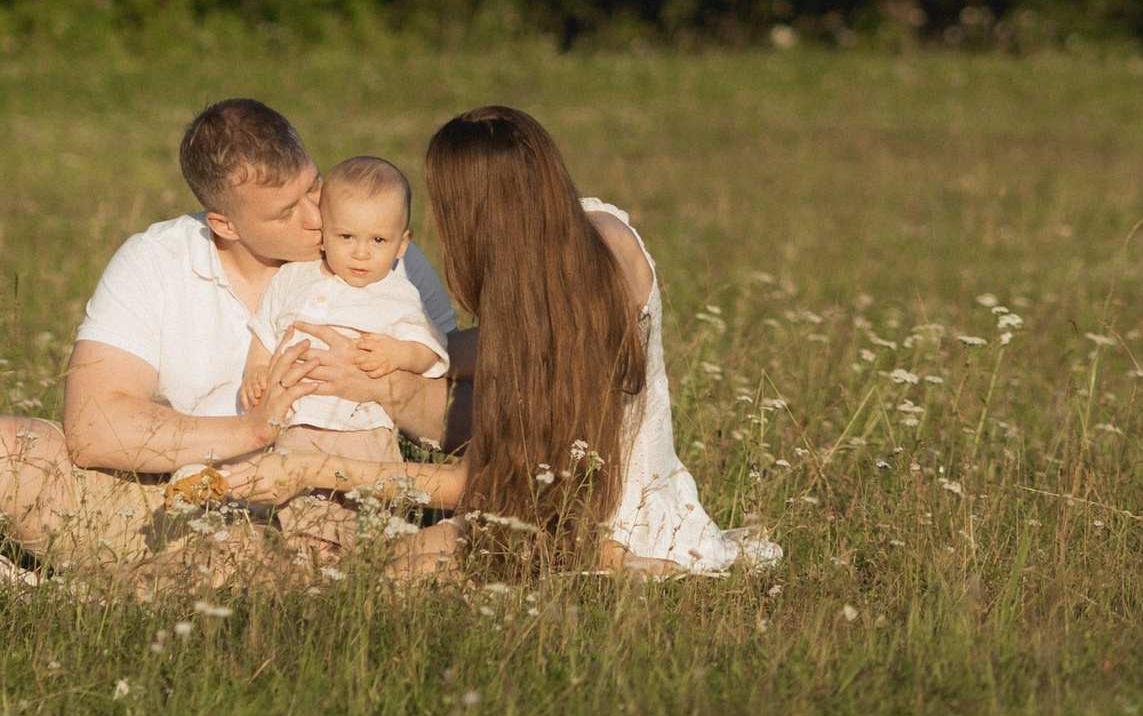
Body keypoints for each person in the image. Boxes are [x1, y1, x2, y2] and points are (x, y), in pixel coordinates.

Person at [0, 95, 455, 577]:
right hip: (164, 500)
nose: (320, 218)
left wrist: (382, 384)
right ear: (224, 224)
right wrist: (249, 431)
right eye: (286, 212)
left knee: (235, 561)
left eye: (312, 189)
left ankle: (51, 597)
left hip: (318, 511)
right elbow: (93, 430)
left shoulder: (382, 255)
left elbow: (459, 416)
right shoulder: (157, 259)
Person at [247, 103, 776, 579]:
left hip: (591, 522)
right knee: (368, 569)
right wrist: (402, 356)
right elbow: (504, 348)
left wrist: (312, 470)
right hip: (574, 506)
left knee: (375, 576)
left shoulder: (584, 284)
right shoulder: (591, 232)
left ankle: (616, 566)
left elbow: (478, 483)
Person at [242, 155, 450, 474]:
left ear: (402, 244)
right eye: (346, 237)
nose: (361, 252)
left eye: (378, 240)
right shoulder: (292, 277)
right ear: (324, 234)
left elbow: (430, 351)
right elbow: (266, 332)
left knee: (371, 507)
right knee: (299, 507)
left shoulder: (400, 294)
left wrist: (399, 353)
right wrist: (257, 368)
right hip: (295, 424)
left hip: (364, 427)